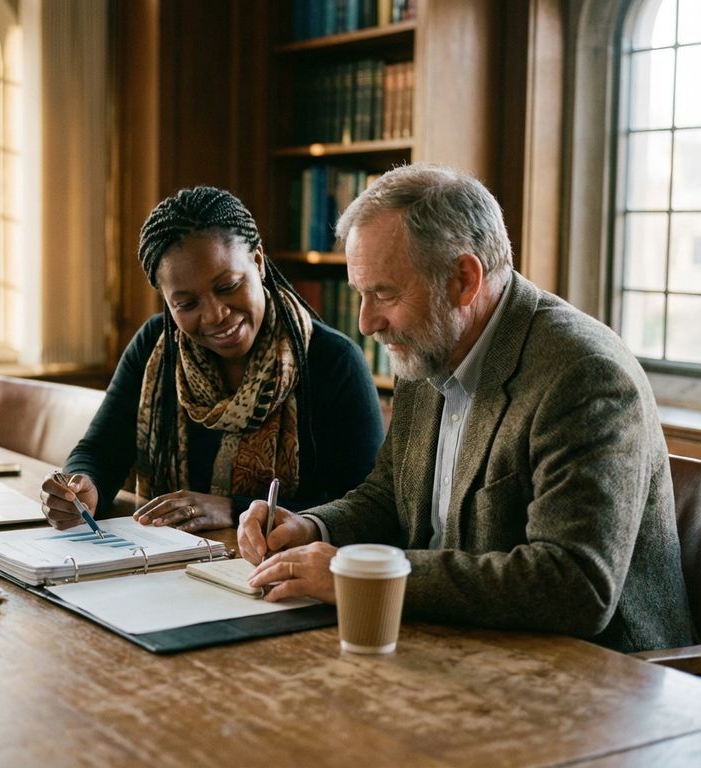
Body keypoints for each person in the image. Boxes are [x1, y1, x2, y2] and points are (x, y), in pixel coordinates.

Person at [238, 164, 693, 653]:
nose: (367, 323)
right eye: (361, 295)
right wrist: (310, 527)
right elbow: (390, 497)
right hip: (454, 642)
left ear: (463, 280)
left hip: (602, 679)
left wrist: (360, 576)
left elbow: (573, 586)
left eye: (384, 294)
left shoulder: (583, 375)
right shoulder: (429, 344)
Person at [39, 185, 384, 532]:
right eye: (187, 304)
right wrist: (82, 487)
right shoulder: (155, 345)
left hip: (281, 569)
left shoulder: (334, 361)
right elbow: (102, 448)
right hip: (168, 562)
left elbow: (361, 510)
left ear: (259, 262)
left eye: (228, 286)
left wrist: (234, 509)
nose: (215, 314)